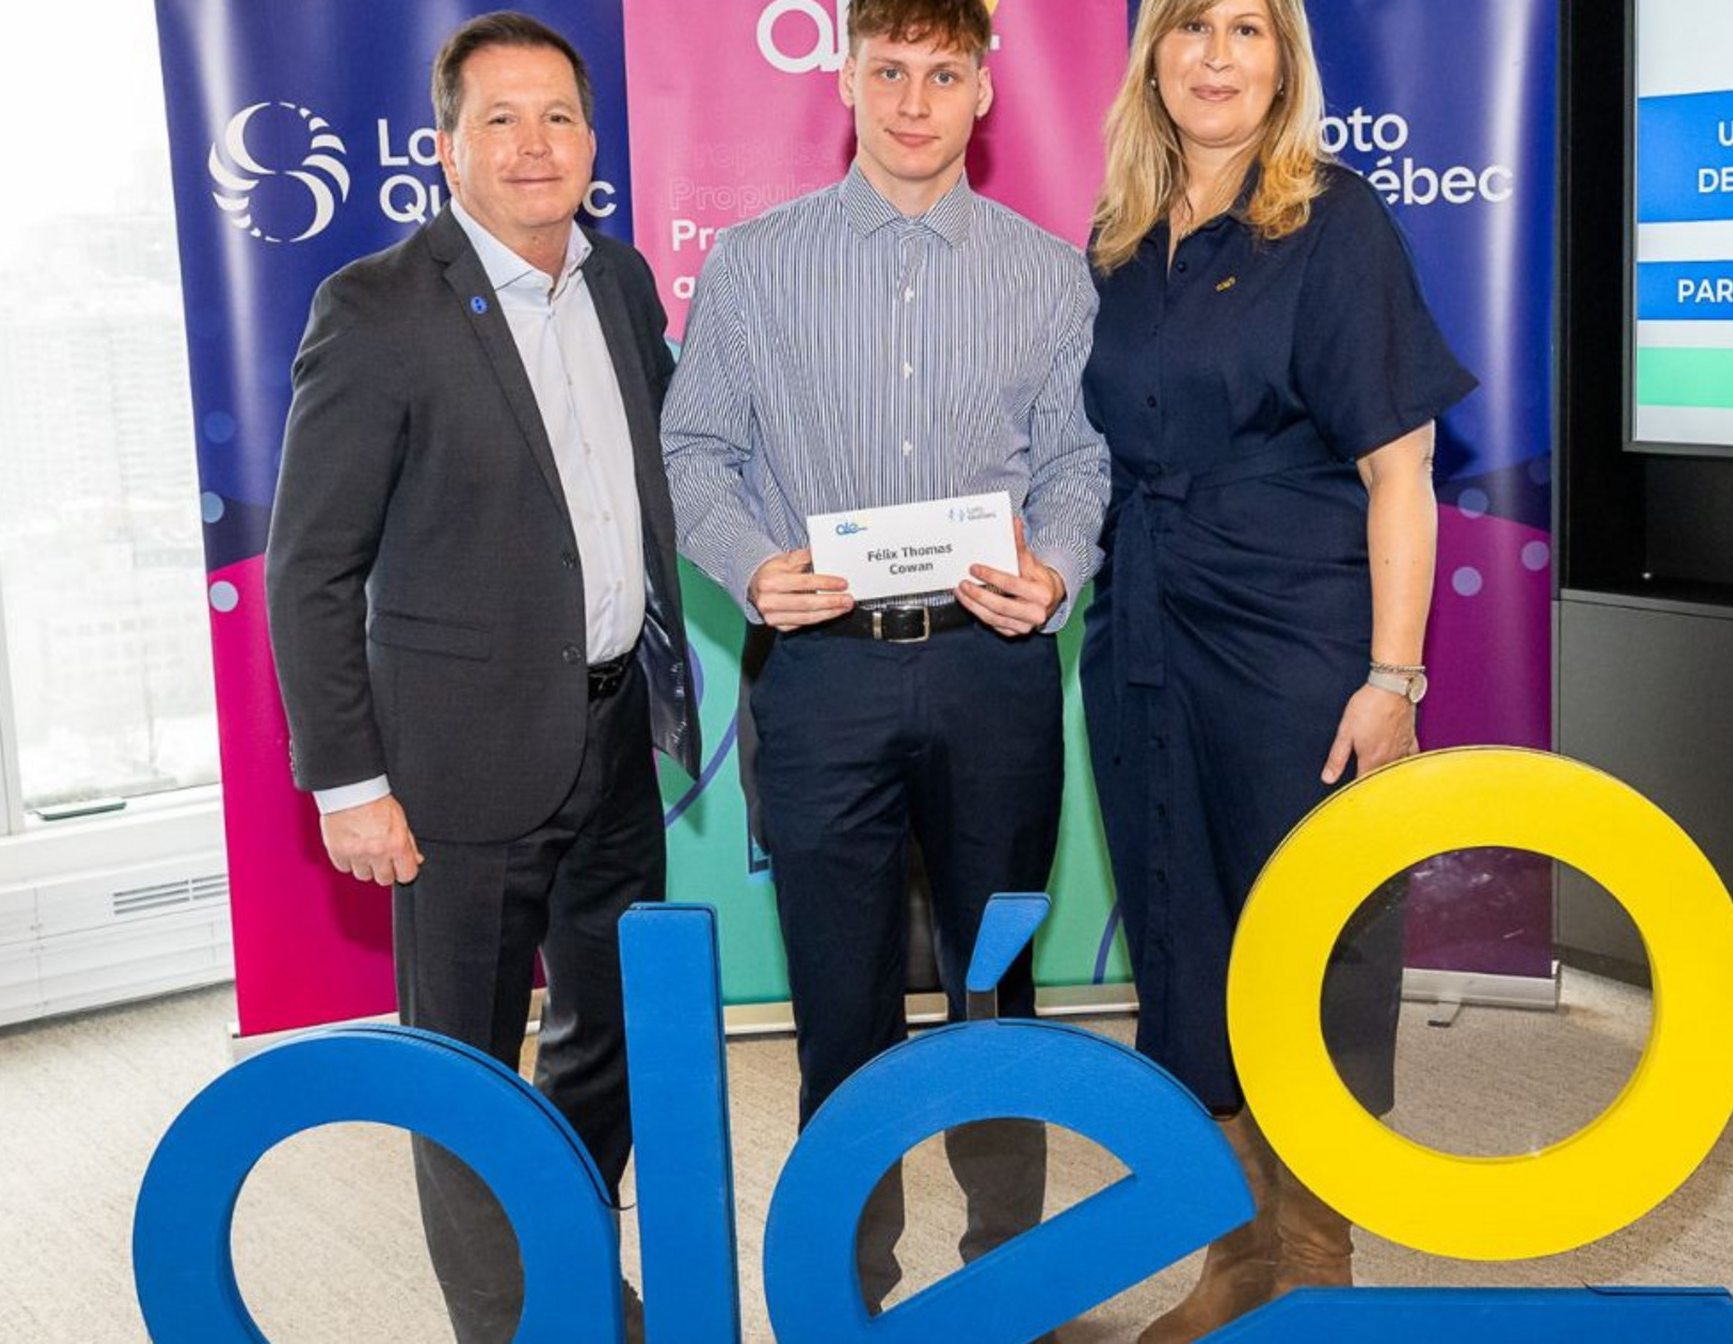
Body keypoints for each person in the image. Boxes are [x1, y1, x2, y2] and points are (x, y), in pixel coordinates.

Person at [661, 0, 1109, 1317]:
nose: (916, 101)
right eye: (891, 70)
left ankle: (1011, 1285)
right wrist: (750, 563)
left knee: (997, 987)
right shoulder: (755, 265)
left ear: (985, 91)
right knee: (839, 998)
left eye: (944, 73)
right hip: (822, 680)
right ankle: (844, 1296)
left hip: (994, 675)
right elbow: (694, 453)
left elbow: (1081, 463)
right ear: (845, 80)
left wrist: (1057, 566)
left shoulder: (1049, 274)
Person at [265, 12, 697, 1341]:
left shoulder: (621, 283)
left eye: (558, 116)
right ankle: (515, 1327)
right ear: (446, 147)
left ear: (592, 141)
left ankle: (566, 1266)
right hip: (453, 766)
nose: (534, 144)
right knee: (462, 1070)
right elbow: (310, 567)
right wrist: (348, 783)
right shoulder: (378, 309)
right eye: (499, 119)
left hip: (614, 741)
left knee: (608, 1041)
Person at [1079, 1, 1477, 1339]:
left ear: (1284, 63)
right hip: (1141, 634)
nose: (1216, 56)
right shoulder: (1121, 235)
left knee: (1304, 942)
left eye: (1246, 29)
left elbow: (1403, 471)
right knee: (1182, 937)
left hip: (1293, 641)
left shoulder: (1335, 221)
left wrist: (1394, 679)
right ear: (1152, 58)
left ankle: (1313, 1263)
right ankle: (1237, 1252)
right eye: (1190, 26)